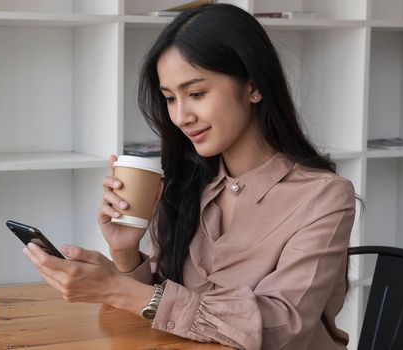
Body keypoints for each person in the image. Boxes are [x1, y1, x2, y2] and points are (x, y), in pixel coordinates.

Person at [23, 4, 356, 349]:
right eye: (170, 98)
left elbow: (282, 326)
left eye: (196, 94)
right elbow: (164, 307)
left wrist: (117, 289)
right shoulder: (187, 185)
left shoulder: (323, 197)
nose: (181, 117)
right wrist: (125, 252)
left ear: (253, 87)